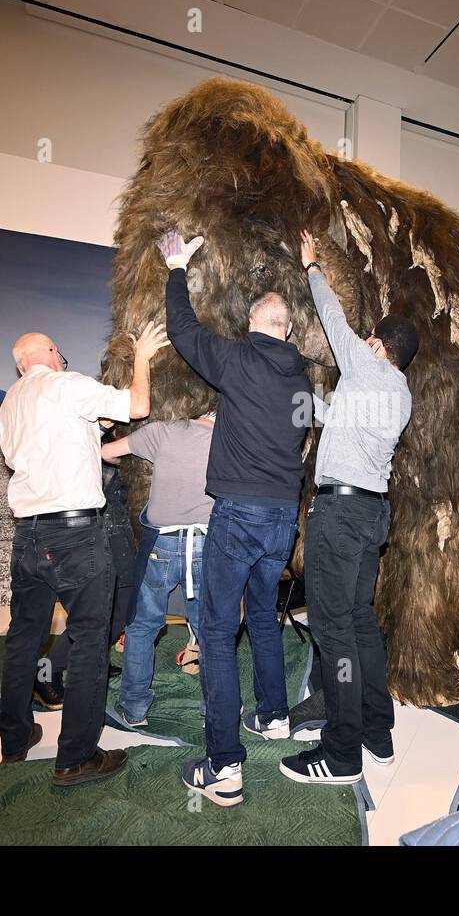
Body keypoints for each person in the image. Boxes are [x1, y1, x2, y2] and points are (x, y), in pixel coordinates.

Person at [158, 229, 310, 807]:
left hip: (239, 515)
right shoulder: (301, 378)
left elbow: (184, 329)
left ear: (253, 326)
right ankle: (273, 716)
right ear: (287, 331)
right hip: (280, 518)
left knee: (218, 633)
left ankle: (224, 767)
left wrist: (177, 266)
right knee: (265, 619)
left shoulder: (240, 359)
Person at [0, 327, 168, 787]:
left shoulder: (10, 401)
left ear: (20, 364)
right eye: (60, 351)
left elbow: (45, 451)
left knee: (23, 638)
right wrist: (144, 357)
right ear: (52, 353)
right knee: (92, 639)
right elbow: (138, 406)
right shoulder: (66, 385)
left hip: (27, 535)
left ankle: (14, 739)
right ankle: (75, 757)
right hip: (74, 533)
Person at [280, 231, 417, 786]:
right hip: (371, 515)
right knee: (360, 622)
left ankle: (341, 754)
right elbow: (330, 416)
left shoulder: (367, 367)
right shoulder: (397, 393)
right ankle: (377, 731)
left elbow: (334, 323)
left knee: (332, 630)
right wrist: (289, 396)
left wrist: (312, 269)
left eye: (370, 340)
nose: (363, 341)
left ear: (379, 345)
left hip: (339, 516)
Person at [101, 412, 215, 726]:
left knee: (142, 627)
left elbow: (106, 452)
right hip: (208, 546)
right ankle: (214, 711)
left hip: (161, 544)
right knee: (211, 631)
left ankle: (134, 708)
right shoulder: (234, 436)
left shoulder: (162, 431)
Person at [34, 423, 140, 710]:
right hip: (105, 538)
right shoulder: (94, 450)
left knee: (113, 612)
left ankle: (93, 662)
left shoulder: (98, 446)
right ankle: (46, 671)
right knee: (105, 614)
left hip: (112, 538)